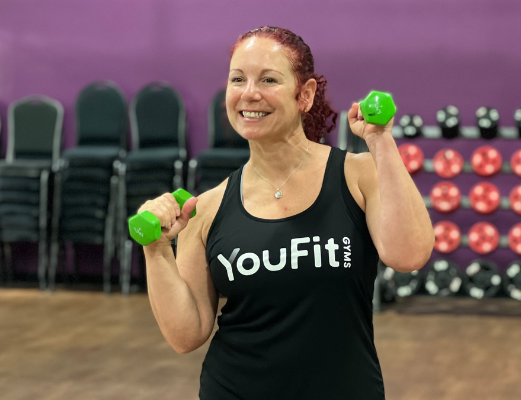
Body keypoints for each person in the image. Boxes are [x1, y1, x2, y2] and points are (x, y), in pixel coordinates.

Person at [139, 26, 435, 400]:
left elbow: (408, 255)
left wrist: (380, 141)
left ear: (305, 94)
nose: (249, 93)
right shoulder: (208, 208)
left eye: (268, 79)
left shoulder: (357, 175)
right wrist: (157, 250)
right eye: (237, 79)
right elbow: (187, 335)